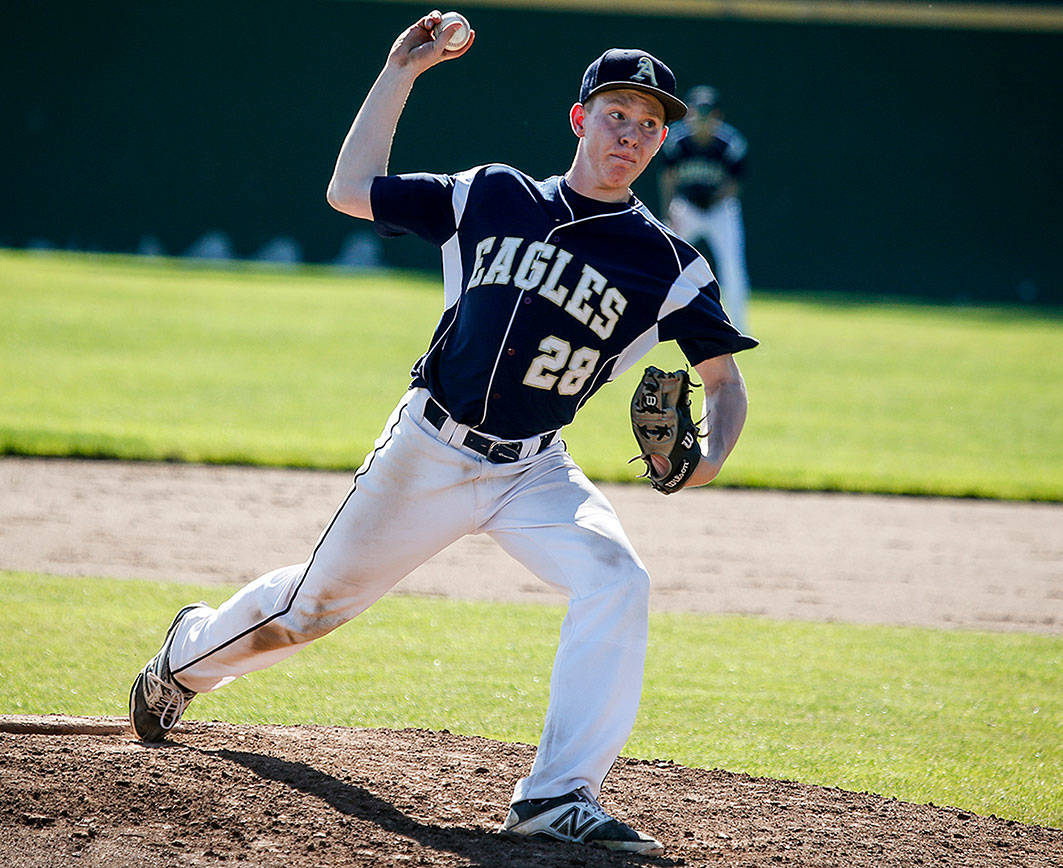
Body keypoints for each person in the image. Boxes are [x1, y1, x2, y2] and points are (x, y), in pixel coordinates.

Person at [128, 11, 757, 857]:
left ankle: (558, 794)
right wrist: (403, 74)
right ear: (580, 120)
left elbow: (724, 380)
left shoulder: (668, 263)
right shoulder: (493, 194)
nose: (634, 134)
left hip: (537, 473)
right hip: (430, 448)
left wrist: (710, 456)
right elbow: (350, 191)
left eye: (651, 124)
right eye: (618, 114)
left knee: (617, 580)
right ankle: (185, 657)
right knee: (308, 610)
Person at [658, 85, 752, 330]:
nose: (701, 119)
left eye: (707, 114)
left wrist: (715, 200)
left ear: (717, 116)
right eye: (697, 113)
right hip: (686, 207)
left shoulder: (730, 142)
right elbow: (668, 178)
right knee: (664, 258)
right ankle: (655, 315)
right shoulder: (677, 140)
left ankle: (739, 326)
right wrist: (668, 210)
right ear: (688, 114)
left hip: (721, 209)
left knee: (732, 266)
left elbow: (735, 182)